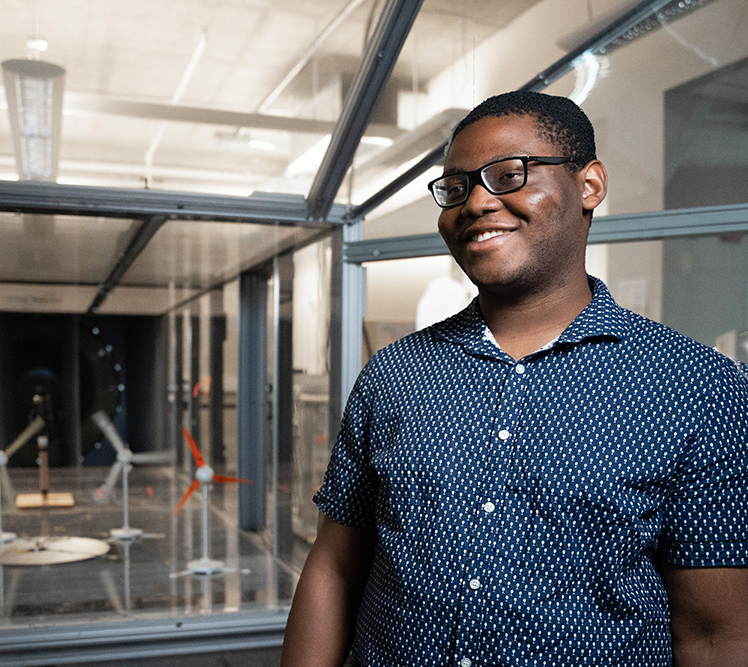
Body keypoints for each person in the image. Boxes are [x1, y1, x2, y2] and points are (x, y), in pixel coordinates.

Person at [281, 91, 748, 666]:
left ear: (590, 185)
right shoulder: (393, 374)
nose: (475, 202)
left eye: (509, 175)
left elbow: (715, 633)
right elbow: (333, 567)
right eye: (456, 188)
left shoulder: (697, 386)